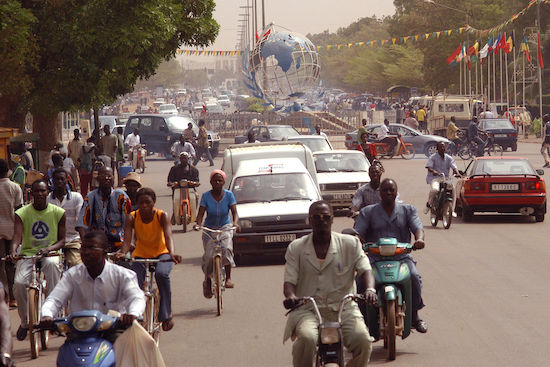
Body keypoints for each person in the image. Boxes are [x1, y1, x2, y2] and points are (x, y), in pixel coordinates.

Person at [283, 200, 376, 367]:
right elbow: (289, 281)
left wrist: (370, 289)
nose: (322, 221)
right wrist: (290, 296)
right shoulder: (296, 248)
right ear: (310, 220)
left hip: (344, 308)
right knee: (307, 338)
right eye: (316, 217)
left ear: (332, 219)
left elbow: (365, 269)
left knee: (363, 340)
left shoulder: (350, 244)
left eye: (326, 217)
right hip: (308, 310)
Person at [354, 178, 427, 333]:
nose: (388, 193)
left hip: (401, 257)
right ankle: (363, 318)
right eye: (385, 190)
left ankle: (414, 315)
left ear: (396, 192)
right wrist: (356, 241)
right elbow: (358, 232)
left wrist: (419, 239)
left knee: (414, 277)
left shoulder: (408, 210)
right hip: (374, 257)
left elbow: (418, 227)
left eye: (391, 190)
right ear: (380, 193)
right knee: (360, 281)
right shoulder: (368, 212)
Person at [40, 231, 145, 329]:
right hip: (79, 333)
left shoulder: (123, 275)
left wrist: (133, 314)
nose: (86, 252)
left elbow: (136, 297)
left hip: (113, 332)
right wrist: (47, 315)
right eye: (83, 248)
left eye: (92, 248)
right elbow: (54, 299)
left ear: (105, 251)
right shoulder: (72, 275)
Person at [116, 188, 182, 332]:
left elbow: (168, 236)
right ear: (137, 203)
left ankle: (166, 314)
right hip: (141, 254)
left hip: (162, 254)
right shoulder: (132, 217)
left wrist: (172, 253)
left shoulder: (161, 215)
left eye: (148, 202)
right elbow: (127, 239)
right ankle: (135, 313)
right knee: (134, 281)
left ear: (154, 202)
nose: (145, 205)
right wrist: (122, 253)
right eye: (141, 203)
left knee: (161, 275)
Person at [10, 179, 66, 341]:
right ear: (31, 193)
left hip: (50, 253)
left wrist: (49, 249)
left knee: (53, 269)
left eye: (43, 191)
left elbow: (62, 240)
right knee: (19, 284)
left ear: (48, 192)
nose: (40, 194)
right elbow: (16, 237)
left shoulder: (58, 212)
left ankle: (53, 316)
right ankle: (26, 321)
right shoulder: (22, 213)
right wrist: (13, 250)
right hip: (28, 254)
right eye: (37, 191)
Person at [194, 170, 240, 296]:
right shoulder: (206, 196)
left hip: (225, 226)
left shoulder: (229, 195)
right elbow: (200, 214)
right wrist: (198, 224)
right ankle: (207, 278)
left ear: (224, 182)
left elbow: (235, 213)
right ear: (211, 182)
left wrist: (235, 223)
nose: (218, 182)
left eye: (220, 180)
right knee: (209, 256)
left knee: (227, 249)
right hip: (209, 228)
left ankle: (229, 278)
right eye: (215, 180)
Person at [76, 167, 132, 252]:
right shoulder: (90, 197)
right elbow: (81, 225)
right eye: (103, 175)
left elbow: (129, 224)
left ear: (113, 178)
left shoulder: (121, 197)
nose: (106, 178)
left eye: (109, 176)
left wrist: (125, 249)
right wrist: (86, 245)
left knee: (128, 261)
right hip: (96, 246)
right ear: (98, 178)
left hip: (118, 245)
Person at [47, 169, 84, 268]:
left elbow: (81, 221)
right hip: (53, 241)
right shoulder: (47, 199)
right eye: (56, 179)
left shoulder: (76, 198)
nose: (59, 181)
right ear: (52, 181)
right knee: (51, 265)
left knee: (76, 265)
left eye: (62, 179)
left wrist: (84, 242)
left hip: (72, 240)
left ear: (66, 180)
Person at [0, 159, 23, 308]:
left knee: (0, 265)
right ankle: (14, 298)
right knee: (11, 264)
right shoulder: (15, 187)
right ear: (8, 170)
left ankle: (5, 296)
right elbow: (20, 211)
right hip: (13, 231)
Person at [425, 142, 460, 214]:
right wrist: (434, 171)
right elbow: (429, 167)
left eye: (443, 147)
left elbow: (454, 167)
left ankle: (451, 210)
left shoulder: (449, 158)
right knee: (435, 190)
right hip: (435, 178)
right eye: (441, 147)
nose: (442, 148)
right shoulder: (433, 157)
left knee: (452, 190)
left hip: (445, 179)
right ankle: (429, 204)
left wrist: (457, 173)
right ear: (437, 149)